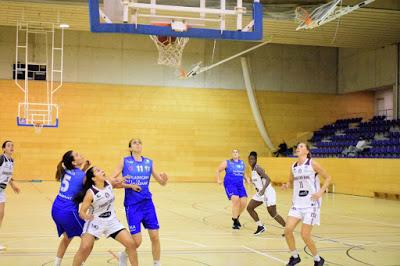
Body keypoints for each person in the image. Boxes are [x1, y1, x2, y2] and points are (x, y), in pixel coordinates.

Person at [113, 138, 168, 266]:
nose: (138, 144)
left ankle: (157, 263)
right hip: (132, 205)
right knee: (136, 242)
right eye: (135, 143)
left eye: (140, 142)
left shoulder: (149, 162)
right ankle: (124, 254)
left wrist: (165, 179)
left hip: (147, 204)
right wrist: (129, 185)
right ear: (130, 148)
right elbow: (112, 181)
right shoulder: (125, 161)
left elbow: (161, 182)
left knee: (155, 236)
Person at [72, 166, 138, 266]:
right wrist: (86, 217)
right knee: (84, 247)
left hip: (112, 221)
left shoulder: (108, 182)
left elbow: (117, 184)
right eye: (98, 171)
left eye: (101, 169)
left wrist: (131, 186)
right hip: (95, 221)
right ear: (93, 178)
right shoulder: (91, 193)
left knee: (131, 244)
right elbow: (81, 212)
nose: (102, 170)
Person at [282, 143, 332, 266]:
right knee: (288, 230)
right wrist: (287, 184)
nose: (298, 148)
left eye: (301, 147)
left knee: (305, 235)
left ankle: (317, 259)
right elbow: (291, 180)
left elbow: (328, 177)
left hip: (311, 204)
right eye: (297, 147)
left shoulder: (312, 164)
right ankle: (295, 257)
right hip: (297, 204)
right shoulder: (293, 166)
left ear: (307, 151)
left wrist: (320, 192)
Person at [51, 150, 90, 266]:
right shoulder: (82, 175)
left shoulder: (66, 170)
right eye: (77, 155)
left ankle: (56, 264)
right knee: (88, 238)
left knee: (67, 238)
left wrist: (84, 168)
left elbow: (76, 178)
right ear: (73, 162)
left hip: (56, 209)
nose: (80, 154)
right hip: (67, 213)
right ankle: (78, 263)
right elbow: (84, 183)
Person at [246, 151, 286, 235]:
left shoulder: (258, 168)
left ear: (256, 160)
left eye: (253, 159)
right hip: (260, 193)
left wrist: (263, 189)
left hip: (267, 192)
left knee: (273, 213)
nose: (251, 160)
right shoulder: (252, 169)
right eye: (250, 159)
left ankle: (287, 229)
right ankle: (260, 226)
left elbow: (268, 179)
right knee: (249, 207)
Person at [216, 149, 249, 230]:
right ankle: (235, 222)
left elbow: (244, 173)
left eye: (236, 152)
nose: (235, 153)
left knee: (244, 202)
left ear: (239, 154)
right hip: (230, 184)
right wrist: (218, 179)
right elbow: (218, 170)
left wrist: (247, 178)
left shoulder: (242, 163)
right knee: (236, 199)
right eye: (233, 152)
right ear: (232, 154)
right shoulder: (227, 162)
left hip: (240, 185)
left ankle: (236, 217)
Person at [0, 140, 21, 250]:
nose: (11, 147)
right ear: (4, 149)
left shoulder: (11, 160)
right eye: (8, 145)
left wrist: (13, 185)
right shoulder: (1, 158)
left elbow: (8, 175)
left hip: (2, 191)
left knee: (1, 215)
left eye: (12, 145)